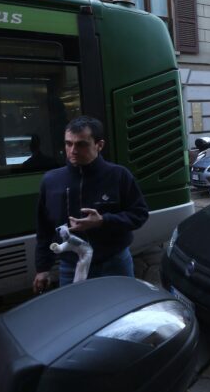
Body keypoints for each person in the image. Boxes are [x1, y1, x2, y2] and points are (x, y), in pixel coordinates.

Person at [32, 116, 149, 293]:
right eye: (68, 143)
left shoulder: (118, 175)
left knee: (120, 315)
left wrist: (103, 221)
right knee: (75, 316)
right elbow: (44, 229)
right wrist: (42, 268)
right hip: (71, 267)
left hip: (114, 264)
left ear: (99, 145)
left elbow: (139, 214)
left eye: (81, 144)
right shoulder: (51, 180)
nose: (73, 150)